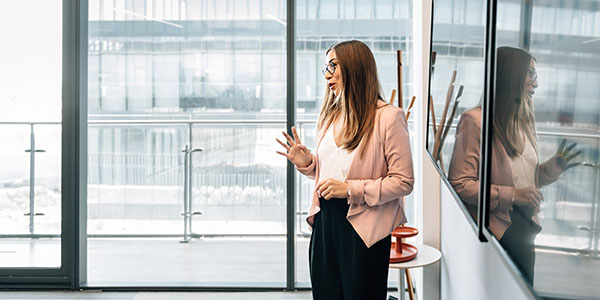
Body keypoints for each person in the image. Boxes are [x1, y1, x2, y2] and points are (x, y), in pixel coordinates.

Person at [275, 40, 414, 300]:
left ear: (355, 67)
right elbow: (332, 169)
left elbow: (403, 181)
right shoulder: (331, 115)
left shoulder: (389, 117)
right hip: (325, 222)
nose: (326, 73)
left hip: (364, 229)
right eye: (325, 66)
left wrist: (351, 190)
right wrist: (308, 163)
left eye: (333, 65)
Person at [448, 46, 580, 284]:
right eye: (530, 75)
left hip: (526, 226)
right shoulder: (475, 121)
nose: (535, 84)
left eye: (535, 75)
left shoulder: (524, 120)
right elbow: (460, 185)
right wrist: (514, 195)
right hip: (499, 230)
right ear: (511, 76)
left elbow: (528, 178)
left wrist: (552, 169)